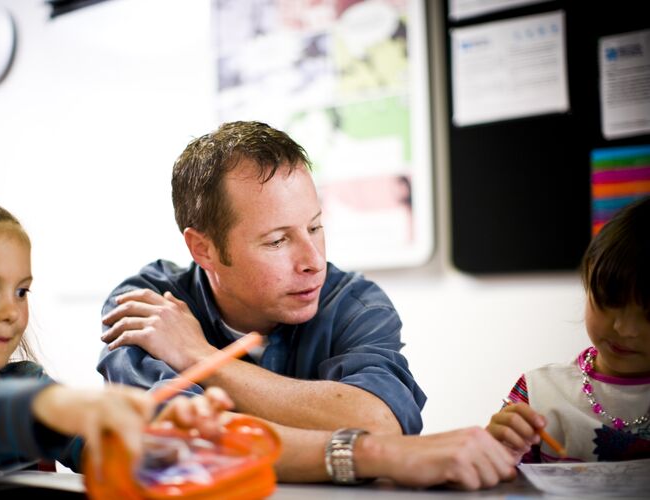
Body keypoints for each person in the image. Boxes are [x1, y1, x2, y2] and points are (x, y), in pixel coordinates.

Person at [98, 121, 517, 488]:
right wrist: (352, 442)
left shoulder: (355, 304)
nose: (313, 262)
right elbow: (175, 445)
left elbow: (378, 423)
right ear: (203, 249)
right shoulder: (148, 307)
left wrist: (200, 356)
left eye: (315, 227)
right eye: (278, 241)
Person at [0, 190, 233, 475]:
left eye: (21, 292)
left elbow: (97, 449)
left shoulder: (27, 382)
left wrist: (162, 434)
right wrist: (54, 406)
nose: (11, 312)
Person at [487, 196, 650, 463]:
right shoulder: (539, 392)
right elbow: (496, 477)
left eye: (648, 316)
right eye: (610, 301)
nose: (625, 328)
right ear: (588, 277)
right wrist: (496, 451)